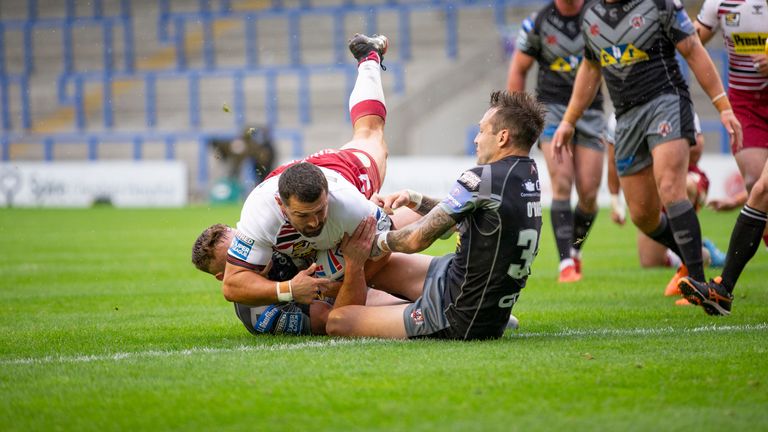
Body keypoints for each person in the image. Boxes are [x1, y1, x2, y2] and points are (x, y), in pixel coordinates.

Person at [192, 33, 405, 333]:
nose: (244, 250)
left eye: (239, 240)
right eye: (233, 258)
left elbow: (387, 240)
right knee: (372, 286)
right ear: (221, 275)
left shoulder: (258, 227)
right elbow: (333, 318)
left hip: (323, 179)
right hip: (304, 200)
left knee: (371, 136)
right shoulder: (257, 308)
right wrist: (293, 289)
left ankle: (369, 59)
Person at [551, 0, 742, 295]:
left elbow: (692, 49)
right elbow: (590, 67)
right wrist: (568, 121)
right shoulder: (590, 14)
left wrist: (723, 106)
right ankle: (693, 255)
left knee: (670, 187)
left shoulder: (660, 4)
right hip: (626, 117)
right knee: (643, 215)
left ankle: (698, 281)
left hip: (664, 101)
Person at [325, 90, 544, 340]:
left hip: (459, 312)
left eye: (482, 131)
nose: (476, 139)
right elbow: (454, 222)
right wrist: (415, 199)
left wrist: (371, 243)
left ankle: (410, 312)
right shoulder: (527, 173)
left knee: (337, 321)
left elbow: (415, 240)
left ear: (503, 137)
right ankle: (492, 317)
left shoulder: (482, 178)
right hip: (472, 289)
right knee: (379, 267)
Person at [676, 3, 768, 315]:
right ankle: (723, 291)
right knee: (759, 185)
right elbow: (692, 39)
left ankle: (724, 289)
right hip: (746, 104)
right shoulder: (719, 3)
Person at [506, 0, 604, 283]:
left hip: (591, 110)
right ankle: (565, 265)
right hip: (551, 109)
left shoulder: (597, 14)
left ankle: (575, 249)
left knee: (588, 193)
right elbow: (518, 69)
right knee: (562, 182)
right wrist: (519, 116)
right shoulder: (538, 22)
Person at [604, 113, 727, 305]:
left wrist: (661, 146)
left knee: (679, 187)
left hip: (685, 175)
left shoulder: (672, 101)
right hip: (649, 180)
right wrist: (615, 202)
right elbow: (612, 161)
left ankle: (696, 276)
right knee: (649, 262)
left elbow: (698, 149)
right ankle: (697, 247)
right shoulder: (617, 116)